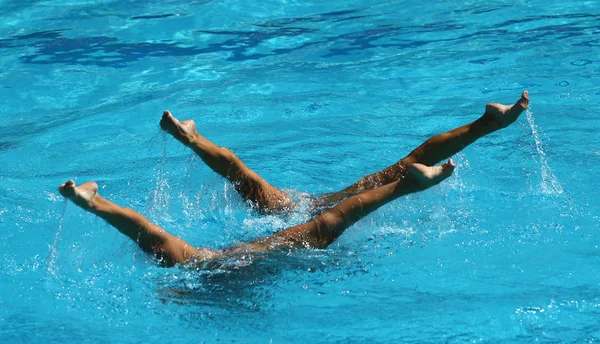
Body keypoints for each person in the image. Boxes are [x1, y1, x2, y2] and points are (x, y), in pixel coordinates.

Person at [58, 91, 529, 267]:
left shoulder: (198, 266)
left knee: (320, 217)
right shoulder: (196, 264)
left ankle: (96, 198)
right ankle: (446, 155)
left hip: (253, 243)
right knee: (331, 215)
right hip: (277, 225)